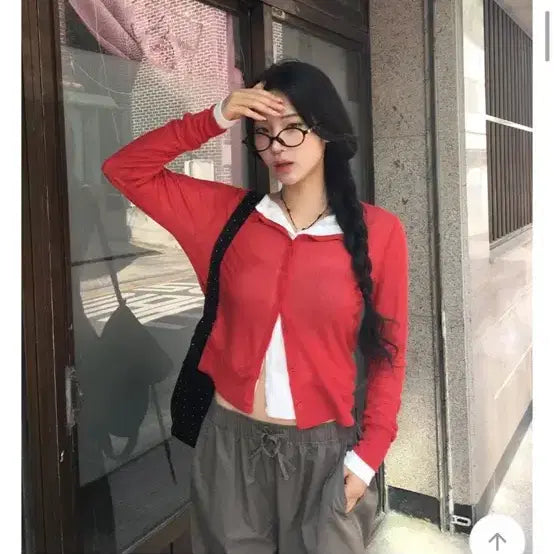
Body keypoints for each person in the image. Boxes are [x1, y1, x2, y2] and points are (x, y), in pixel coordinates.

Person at [102, 59, 408, 554]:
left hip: (326, 456)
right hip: (229, 450)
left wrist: (367, 458)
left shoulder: (380, 232)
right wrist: (216, 116)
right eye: (262, 133)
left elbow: (389, 355)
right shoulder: (227, 218)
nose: (276, 146)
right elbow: (124, 170)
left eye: (292, 128)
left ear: (326, 131)